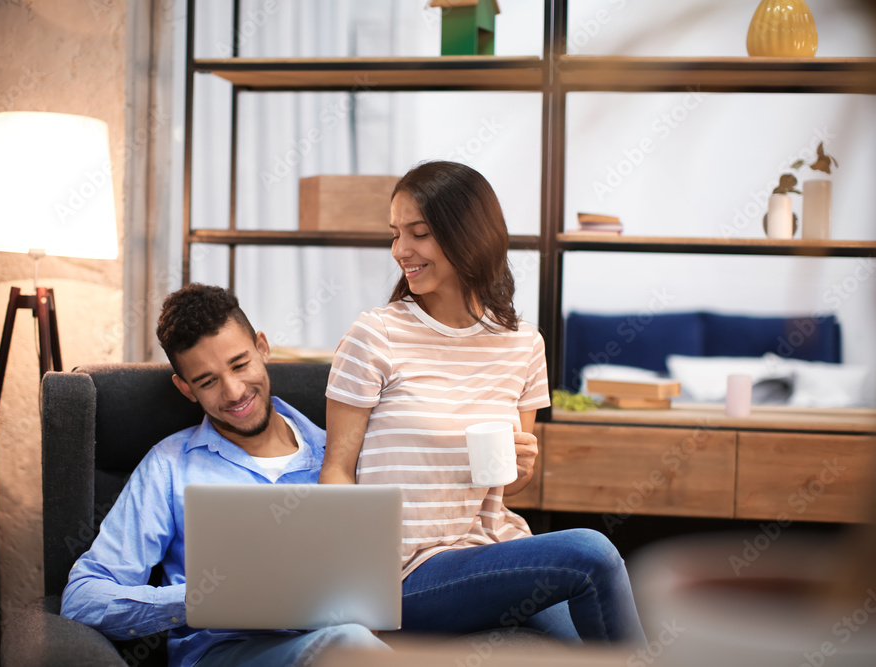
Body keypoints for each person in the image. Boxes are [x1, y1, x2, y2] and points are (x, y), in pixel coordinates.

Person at [319, 160, 646, 644]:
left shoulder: (523, 345)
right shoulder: (376, 334)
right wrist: (355, 577)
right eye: (396, 234)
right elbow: (337, 470)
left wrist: (522, 469)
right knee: (591, 551)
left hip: (494, 551)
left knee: (582, 648)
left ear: (469, 236)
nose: (401, 251)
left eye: (420, 234)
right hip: (404, 574)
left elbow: (505, 487)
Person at [61, 284, 389, 667]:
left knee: (349, 641)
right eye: (207, 381)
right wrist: (202, 599)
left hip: (339, 643)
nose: (234, 392)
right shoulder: (169, 466)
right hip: (223, 654)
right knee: (347, 645)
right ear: (185, 388)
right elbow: (82, 598)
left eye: (239, 364)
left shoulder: (337, 454)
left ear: (262, 347)